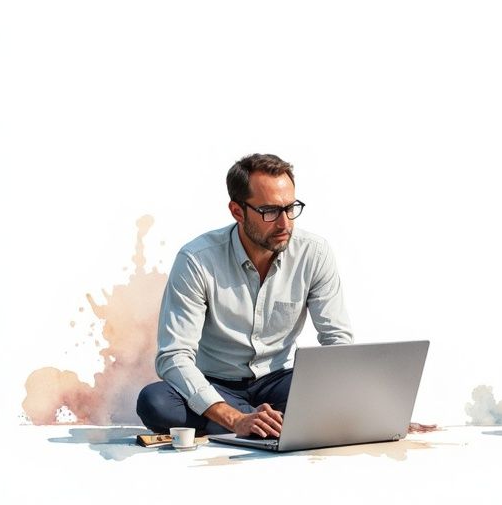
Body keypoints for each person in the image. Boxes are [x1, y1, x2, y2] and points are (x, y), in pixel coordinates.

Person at [136, 153, 353, 438]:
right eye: (270, 211)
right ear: (237, 211)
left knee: (339, 392)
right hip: (215, 384)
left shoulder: (314, 253)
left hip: (280, 382)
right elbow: (174, 355)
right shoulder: (197, 260)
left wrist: (362, 408)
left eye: (291, 208)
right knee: (155, 403)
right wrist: (234, 417)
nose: (285, 223)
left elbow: (337, 341)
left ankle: (261, 422)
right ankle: (270, 422)